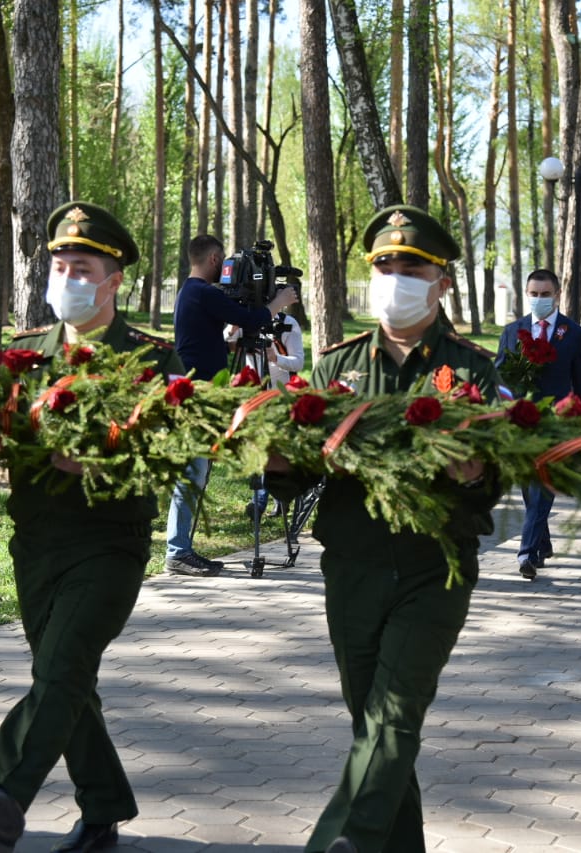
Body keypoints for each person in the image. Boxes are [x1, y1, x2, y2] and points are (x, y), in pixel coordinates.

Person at [268, 205, 503, 853]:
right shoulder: (333, 368)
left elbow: (497, 483)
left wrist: (471, 471)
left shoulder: (474, 372)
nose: (397, 276)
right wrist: (275, 461)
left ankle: (340, 841)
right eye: (386, 265)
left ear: (442, 281)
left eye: (413, 267)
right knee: (373, 726)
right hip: (351, 567)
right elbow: (295, 478)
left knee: (394, 716)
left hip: (436, 569)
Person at [0, 203, 185, 853]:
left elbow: (173, 448)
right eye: (59, 265)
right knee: (66, 679)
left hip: (109, 542)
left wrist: (102, 456)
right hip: (34, 538)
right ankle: (104, 810)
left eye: (82, 267)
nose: (67, 277)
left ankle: (8, 787)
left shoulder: (149, 358)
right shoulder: (26, 353)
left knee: (62, 668)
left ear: (114, 280)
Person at [163, 234, 298, 575]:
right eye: (222, 262)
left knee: (197, 468)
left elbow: (237, 320)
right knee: (193, 470)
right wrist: (279, 300)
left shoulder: (190, 291)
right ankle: (178, 551)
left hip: (199, 387)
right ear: (212, 260)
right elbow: (253, 320)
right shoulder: (204, 292)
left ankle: (180, 548)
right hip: (200, 391)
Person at [494, 269, 581, 580]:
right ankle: (542, 542)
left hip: (556, 423)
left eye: (545, 294)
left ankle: (525, 553)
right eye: (533, 294)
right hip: (522, 422)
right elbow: (499, 380)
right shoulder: (512, 331)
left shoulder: (573, 333)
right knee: (529, 489)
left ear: (557, 294)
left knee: (541, 487)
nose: (539, 299)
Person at [225, 311, 306, 518]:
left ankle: (267, 501)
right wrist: (234, 326)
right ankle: (266, 500)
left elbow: (298, 363)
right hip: (254, 393)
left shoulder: (288, 323)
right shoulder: (247, 318)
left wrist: (275, 358)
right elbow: (227, 342)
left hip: (280, 394)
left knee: (276, 449)